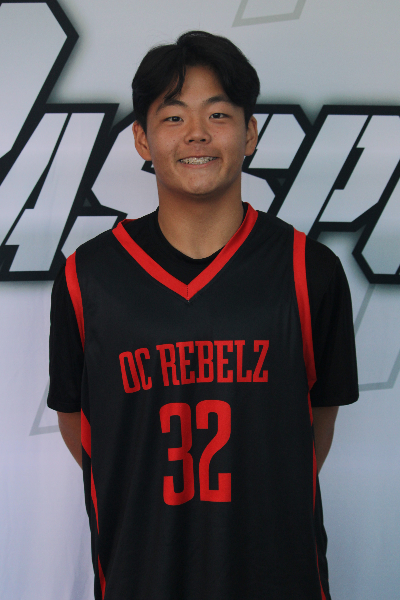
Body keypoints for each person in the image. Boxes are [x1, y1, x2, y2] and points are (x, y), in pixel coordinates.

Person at [48, 30, 358, 600]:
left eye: (218, 114)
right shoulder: (86, 277)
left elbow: (316, 423)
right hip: (141, 573)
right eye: (173, 117)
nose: (197, 133)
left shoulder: (309, 270)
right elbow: (81, 427)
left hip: (277, 574)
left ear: (250, 134)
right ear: (142, 139)